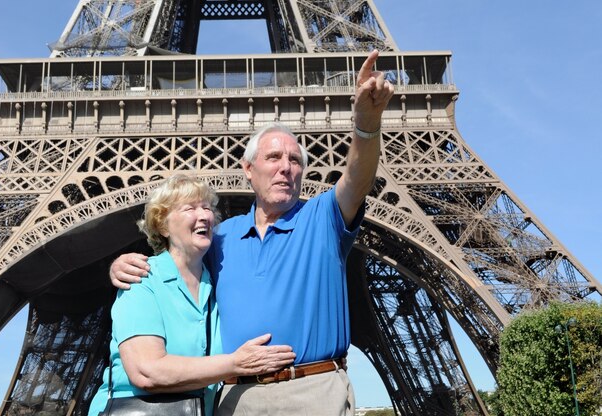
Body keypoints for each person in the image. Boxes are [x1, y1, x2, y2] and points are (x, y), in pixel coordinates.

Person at [110, 50, 395, 415]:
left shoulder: (322, 218)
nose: (285, 168)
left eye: (294, 161)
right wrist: (120, 265)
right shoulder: (221, 238)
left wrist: (366, 123)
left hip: (314, 392)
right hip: (236, 398)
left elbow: (356, 181)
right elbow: (177, 261)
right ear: (248, 169)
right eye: (274, 158)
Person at [89, 175, 295, 416]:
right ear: (163, 226)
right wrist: (235, 364)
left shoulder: (219, 284)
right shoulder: (142, 280)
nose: (204, 216)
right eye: (190, 208)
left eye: (207, 208)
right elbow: (146, 371)